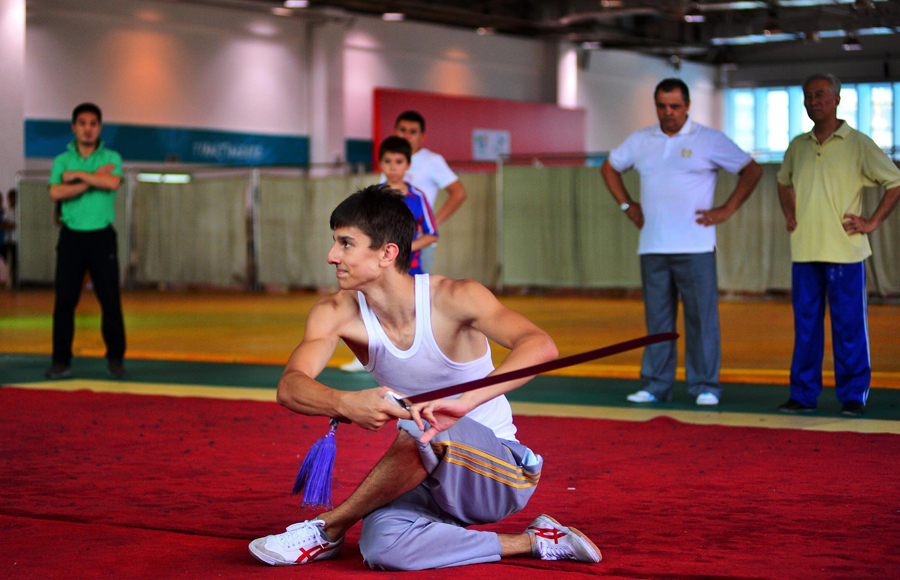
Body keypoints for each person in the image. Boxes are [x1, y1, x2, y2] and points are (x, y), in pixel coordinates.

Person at [249, 184, 600, 570]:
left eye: (346, 244)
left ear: (387, 253)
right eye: (335, 242)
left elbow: (540, 346)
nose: (332, 256)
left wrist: (465, 403)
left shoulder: (455, 297)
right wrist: (344, 401)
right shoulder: (335, 312)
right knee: (382, 548)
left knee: (426, 426)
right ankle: (533, 541)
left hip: (499, 472)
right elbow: (290, 386)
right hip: (428, 475)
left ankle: (326, 529)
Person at [601, 78, 762, 406]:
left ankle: (705, 385)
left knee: (701, 318)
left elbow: (751, 170)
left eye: (674, 106)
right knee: (657, 320)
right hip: (653, 246)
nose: (668, 112)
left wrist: (727, 209)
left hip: (696, 246)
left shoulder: (709, 139)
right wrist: (627, 205)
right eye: (662, 106)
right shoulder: (641, 139)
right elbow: (609, 168)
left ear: (687, 106)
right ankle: (656, 384)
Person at [776, 73, 900, 417]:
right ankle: (802, 395)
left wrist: (871, 222)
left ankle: (853, 395)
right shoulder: (797, 146)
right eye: (807, 96)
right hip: (805, 250)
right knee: (806, 328)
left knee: (849, 327)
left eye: (819, 95)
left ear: (837, 99)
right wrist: (790, 211)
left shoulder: (857, 143)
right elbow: (783, 181)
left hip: (845, 252)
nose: (813, 102)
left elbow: (895, 181)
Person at [343, 111, 466, 372]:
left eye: (412, 131)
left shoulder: (428, 170)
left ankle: (423, 354)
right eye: (402, 129)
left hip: (414, 251)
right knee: (373, 301)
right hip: (381, 257)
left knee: (416, 303)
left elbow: (456, 195)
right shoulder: (377, 191)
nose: (393, 166)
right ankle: (369, 354)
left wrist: (428, 227)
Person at [45, 103, 127, 380]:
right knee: (64, 302)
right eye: (82, 123)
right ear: (74, 127)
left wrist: (77, 178)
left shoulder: (113, 156)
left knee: (110, 302)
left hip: (102, 237)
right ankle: (60, 361)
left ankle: (115, 360)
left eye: (93, 123)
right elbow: (56, 192)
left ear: (99, 128)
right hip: (71, 237)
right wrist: (93, 178)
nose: (88, 128)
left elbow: (113, 184)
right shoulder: (61, 160)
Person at [0, 189, 16, 287]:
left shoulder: (6, 212)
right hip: (6, 242)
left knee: (12, 263)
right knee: (11, 263)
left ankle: (12, 282)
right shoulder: (8, 212)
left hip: (6, 242)